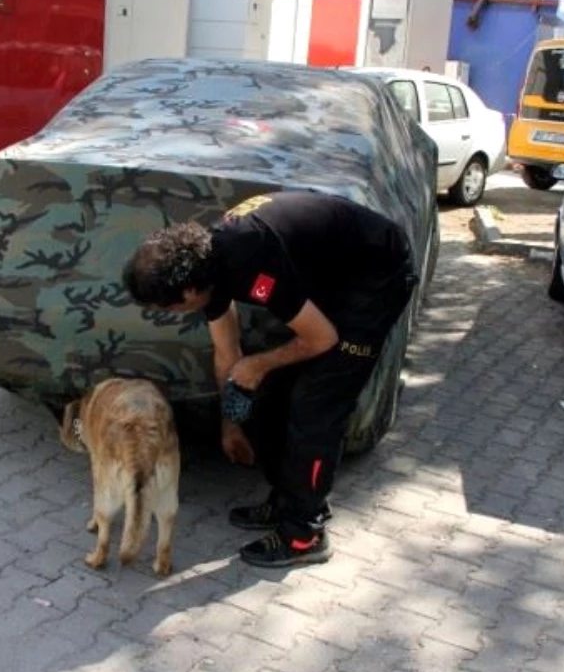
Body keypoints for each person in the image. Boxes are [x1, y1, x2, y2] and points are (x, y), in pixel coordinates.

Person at [121, 190, 417, 567]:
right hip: (334, 276)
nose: (171, 314)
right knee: (276, 391)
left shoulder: (248, 259)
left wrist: (259, 364)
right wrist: (231, 425)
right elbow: (227, 353)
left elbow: (322, 338)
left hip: (378, 275)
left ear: (187, 292)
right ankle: (285, 501)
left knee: (316, 406)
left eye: (169, 308)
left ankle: (305, 535)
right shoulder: (206, 265)